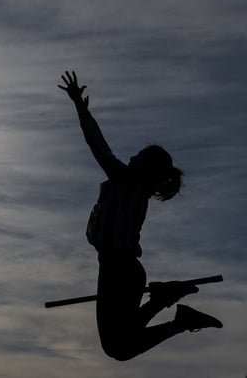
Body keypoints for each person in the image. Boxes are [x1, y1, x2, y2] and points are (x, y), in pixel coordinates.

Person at [59, 71, 222, 361]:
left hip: (118, 269)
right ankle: (170, 305)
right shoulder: (136, 188)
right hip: (122, 269)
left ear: (144, 167)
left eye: (137, 155)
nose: (131, 157)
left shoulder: (126, 180)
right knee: (121, 343)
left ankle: (171, 307)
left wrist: (81, 109)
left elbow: (98, 145)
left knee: (118, 346)